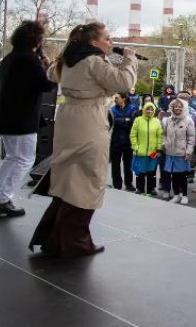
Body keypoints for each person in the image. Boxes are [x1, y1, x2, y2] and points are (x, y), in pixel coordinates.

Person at [29, 22, 137, 257]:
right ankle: (75, 242)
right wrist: (129, 60)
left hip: (69, 119)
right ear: (93, 42)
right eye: (107, 38)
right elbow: (123, 83)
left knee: (69, 179)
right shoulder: (93, 61)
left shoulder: (68, 59)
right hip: (89, 121)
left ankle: (55, 239)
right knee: (89, 179)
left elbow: (51, 74)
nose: (111, 43)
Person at [0, 20, 56, 217]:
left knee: (13, 158)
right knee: (24, 159)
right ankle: (1, 199)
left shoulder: (11, 58)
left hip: (8, 119)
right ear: (37, 41)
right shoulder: (29, 60)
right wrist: (49, 68)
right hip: (22, 121)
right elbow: (46, 85)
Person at [161, 98, 195, 205]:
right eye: (175, 106)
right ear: (172, 107)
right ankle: (176, 195)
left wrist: (189, 151)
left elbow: (191, 137)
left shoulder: (188, 120)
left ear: (183, 107)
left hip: (182, 153)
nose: (177, 108)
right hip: (170, 153)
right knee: (173, 175)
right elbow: (164, 134)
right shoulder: (169, 120)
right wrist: (164, 144)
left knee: (182, 176)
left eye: (180, 106)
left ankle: (184, 195)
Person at [130, 102, 163, 195]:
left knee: (151, 172)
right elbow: (133, 135)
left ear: (154, 111)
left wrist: (158, 148)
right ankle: (140, 188)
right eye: (148, 109)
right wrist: (135, 147)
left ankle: (151, 189)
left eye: (151, 109)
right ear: (144, 110)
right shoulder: (138, 120)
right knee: (140, 171)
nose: (149, 111)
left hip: (153, 152)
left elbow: (159, 136)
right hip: (141, 151)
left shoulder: (156, 121)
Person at [109, 92, 136, 191]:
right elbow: (112, 121)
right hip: (115, 141)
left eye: (117, 98)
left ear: (123, 99)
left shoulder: (132, 108)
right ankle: (117, 184)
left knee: (128, 164)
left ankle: (129, 184)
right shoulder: (112, 109)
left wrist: (119, 120)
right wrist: (125, 120)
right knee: (115, 164)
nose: (115, 99)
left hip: (128, 141)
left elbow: (133, 122)